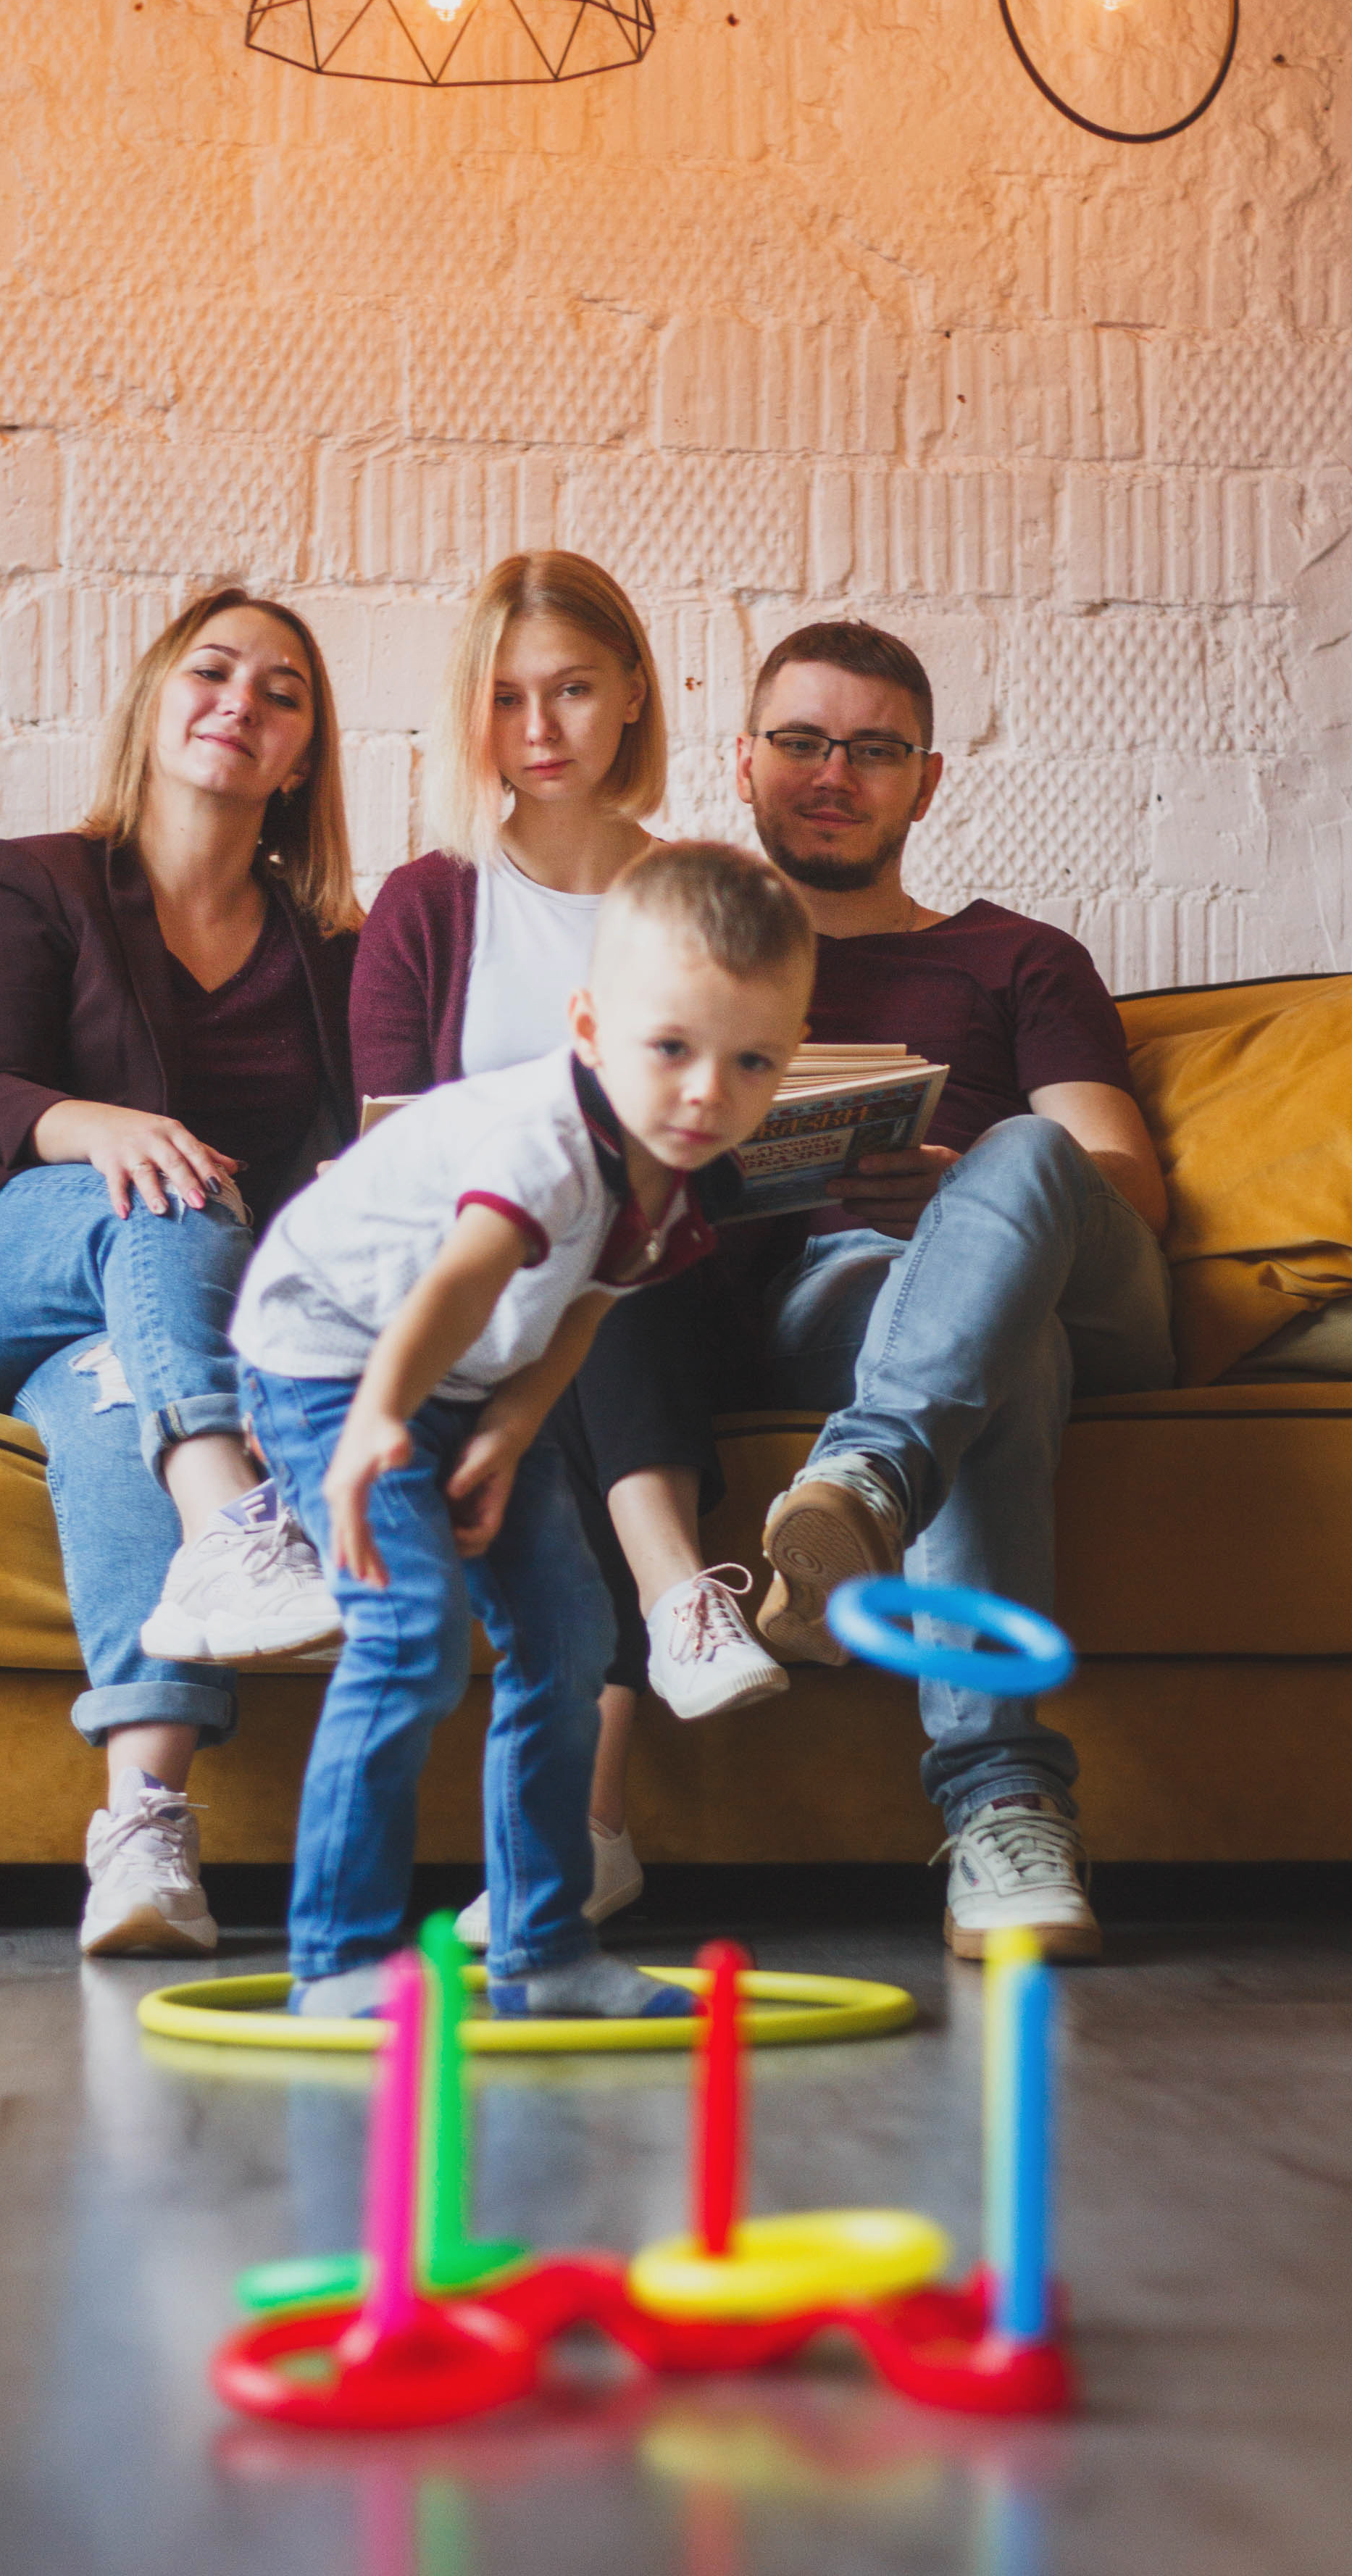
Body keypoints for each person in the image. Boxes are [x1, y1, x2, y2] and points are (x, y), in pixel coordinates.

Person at [547, 620, 1176, 1964]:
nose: (834, 773)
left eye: (873, 748)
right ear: (744, 761)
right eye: (801, 741)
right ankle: (1004, 1803)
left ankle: (872, 1481)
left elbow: (1125, 1178)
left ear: (927, 780)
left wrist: (964, 1191)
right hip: (830, 1311)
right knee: (1003, 1358)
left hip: (1066, 1268)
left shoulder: (1020, 957)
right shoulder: (689, 965)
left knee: (1029, 1155)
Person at [233, 843, 817, 2018]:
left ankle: (543, 1953)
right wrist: (373, 1433)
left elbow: (585, 1309)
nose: (709, 1092)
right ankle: (334, 1960)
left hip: (466, 1372)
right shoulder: (546, 1147)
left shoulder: (671, 1168)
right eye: (673, 1049)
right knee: (409, 1635)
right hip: (336, 1354)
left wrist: (505, 1434)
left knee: (568, 1637)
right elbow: (455, 1286)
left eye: (752, 1062)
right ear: (591, 1027)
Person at [0, 589, 360, 1957]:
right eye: (211, 672)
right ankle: (231, 1524)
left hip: (137, 1322)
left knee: (110, 1404)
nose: (240, 704)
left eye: (282, 693)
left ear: (304, 756)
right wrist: (103, 1130)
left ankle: (144, 1832)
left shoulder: (331, 950)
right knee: (165, 1185)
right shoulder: (29, 880)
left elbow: (344, 1167)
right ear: (152, 699)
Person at [351, 552, 785, 1947]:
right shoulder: (430, 904)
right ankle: (671, 1631)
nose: (539, 730)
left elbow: (739, 1122)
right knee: (576, 1233)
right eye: (507, 698)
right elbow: (385, 1139)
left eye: (573, 690)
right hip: (476, 1282)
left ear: (633, 696)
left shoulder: (705, 895)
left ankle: (588, 1819)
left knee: (617, 1233)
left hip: (678, 1277)